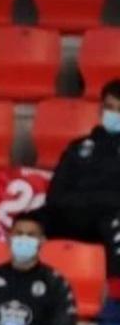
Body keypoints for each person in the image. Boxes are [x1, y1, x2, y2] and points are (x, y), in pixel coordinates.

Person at [35, 79, 120, 305]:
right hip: (76, 217)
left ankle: (115, 297)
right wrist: (98, 200)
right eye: (110, 108)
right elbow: (56, 196)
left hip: (110, 221)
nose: (114, 115)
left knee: (115, 220)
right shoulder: (78, 147)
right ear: (100, 109)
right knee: (29, 221)